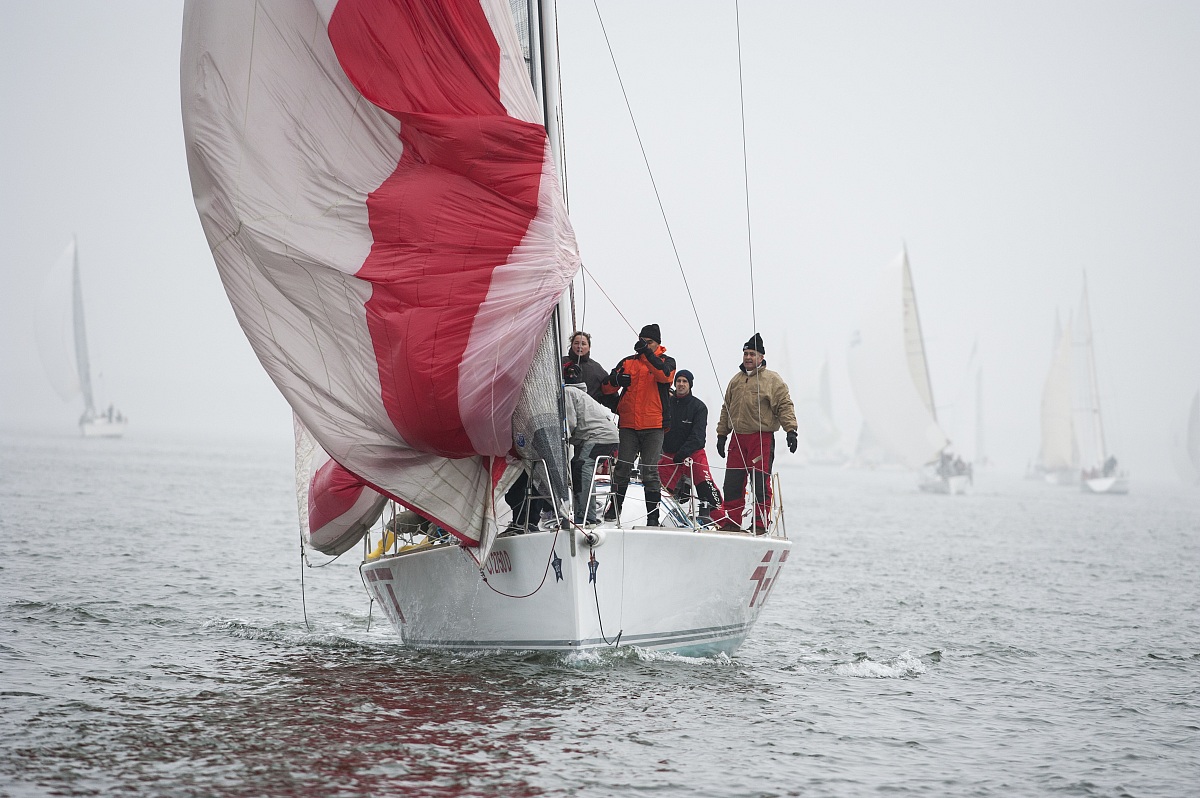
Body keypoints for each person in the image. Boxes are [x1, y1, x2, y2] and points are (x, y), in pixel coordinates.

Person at [711, 333, 798, 533]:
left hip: (761, 438)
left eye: (752, 354)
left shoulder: (772, 380)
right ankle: (732, 522)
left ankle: (759, 524)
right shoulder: (736, 381)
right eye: (745, 354)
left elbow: (784, 406)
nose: (748, 357)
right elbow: (726, 409)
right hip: (737, 439)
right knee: (731, 484)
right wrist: (721, 435)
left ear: (761, 357)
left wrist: (791, 430)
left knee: (759, 483)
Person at [601, 323, 676, 526]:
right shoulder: (627, 362)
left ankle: (653, 517)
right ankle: (613, 511)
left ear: (657, 344)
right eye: (642, 341)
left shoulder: (666, 361)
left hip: (654, 425)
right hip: (628, 424)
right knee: (622, 469)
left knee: (649, 472)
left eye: (649, 342)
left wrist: (647, 355)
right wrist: (616, 379)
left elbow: (665, 375)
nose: (644, 345)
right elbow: (606, 388)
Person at [657, 370, 721, 523]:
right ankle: (659, 519)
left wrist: (683, 453)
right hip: (669, 456)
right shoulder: (666, 404)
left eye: (684, 381)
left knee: (708, 489)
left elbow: (698, 437)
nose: (681, 384)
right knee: (659, 491)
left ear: (690, 384)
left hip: (694, 454)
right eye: (678, 381)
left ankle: (721, 521)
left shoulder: (699, 407)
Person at [563, 362, 620, 524]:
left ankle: (586, 515)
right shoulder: (581, 394)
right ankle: (584, 511)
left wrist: (562, 440)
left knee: (582, 466)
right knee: (578, 465)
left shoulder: (568, 392)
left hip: (598, 436)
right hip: (607, 436)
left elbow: (570, 423)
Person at [563, 330, 616, 411]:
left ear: (589, 347)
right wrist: (567, 371)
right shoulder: (560, 362)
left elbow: (609, 396)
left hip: (588, 413)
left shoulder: (596, 369)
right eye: (576, 343)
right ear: (571, 345)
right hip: (565, 410)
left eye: (583, 344)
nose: (579, 346)